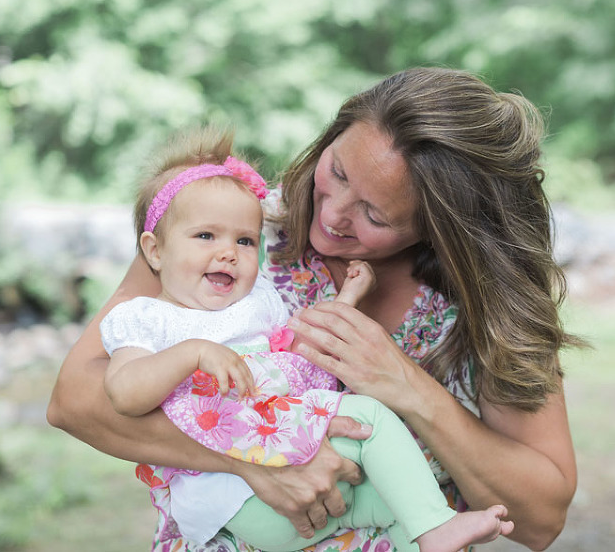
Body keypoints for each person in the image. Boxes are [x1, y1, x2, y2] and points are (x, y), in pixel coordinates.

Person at [48, 67, 581, 552]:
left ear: (440, 228)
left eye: (373, 213)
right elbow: (75, 401)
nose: (332, 213)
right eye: (340, 172)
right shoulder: (227, 227)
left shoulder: (480, 306)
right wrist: (253, 460)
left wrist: (409, 388)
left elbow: (541, 518)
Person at [99, 128, 513, 551]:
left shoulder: (255, 304)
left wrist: (348, 298)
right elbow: (124, 393)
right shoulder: (144, 317)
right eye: (206, 236)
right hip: (238, 498)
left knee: (392, 486)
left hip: (306, 467)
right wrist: (193, 354)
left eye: (244, 241)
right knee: (369, 424)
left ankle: (432, 528)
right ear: (154, 251)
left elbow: (300, 355)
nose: (228, 252)